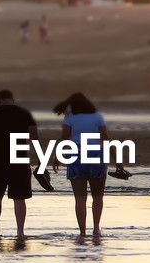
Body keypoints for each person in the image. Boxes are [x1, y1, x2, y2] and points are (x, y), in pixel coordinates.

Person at [53, 92, 126, 238]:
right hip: (96, 155)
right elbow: (105, 139)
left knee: (80, 198)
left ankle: (82, 232)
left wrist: (57, 157)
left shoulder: (70, 117)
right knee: (98, 197)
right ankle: (96, 229)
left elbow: (64, 138)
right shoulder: (97, 116)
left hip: (76, 156)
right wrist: (117, 160)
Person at [0, 89, 38, 239]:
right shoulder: (25, 113)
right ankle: (20, 232)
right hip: (20, 157)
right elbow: (34, 137)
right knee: (19, 198)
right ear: (13, 99)